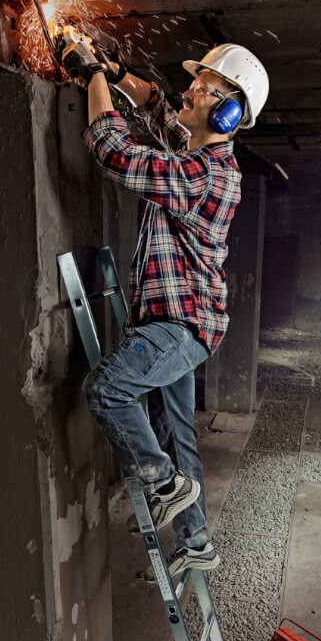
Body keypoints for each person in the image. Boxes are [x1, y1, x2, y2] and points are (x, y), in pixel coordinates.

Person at [58, 32, 269, 582]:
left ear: (226, 113)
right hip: (170, 322)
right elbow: (154, 103)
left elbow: (114, 150)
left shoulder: (209, 176)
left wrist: (91, 78)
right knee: (177, 431)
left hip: (182, 325)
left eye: (202, 87)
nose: (188, 91)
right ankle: (196, 541)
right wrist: (113, 67)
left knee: (108, 388)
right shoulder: (190, 148)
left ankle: (161, 482)